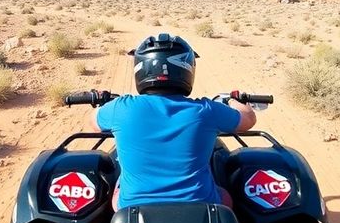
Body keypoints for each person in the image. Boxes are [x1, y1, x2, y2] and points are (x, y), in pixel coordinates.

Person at [88, 33, 256, 210]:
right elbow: (249, 119)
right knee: (226, 196)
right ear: (186, 68)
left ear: (140, 67)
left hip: (133, 209)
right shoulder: (207, 110)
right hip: (200, 206)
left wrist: (102, 102)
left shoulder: (120, 108)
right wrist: (234, 100)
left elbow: (93, 122)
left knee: (116, 192)